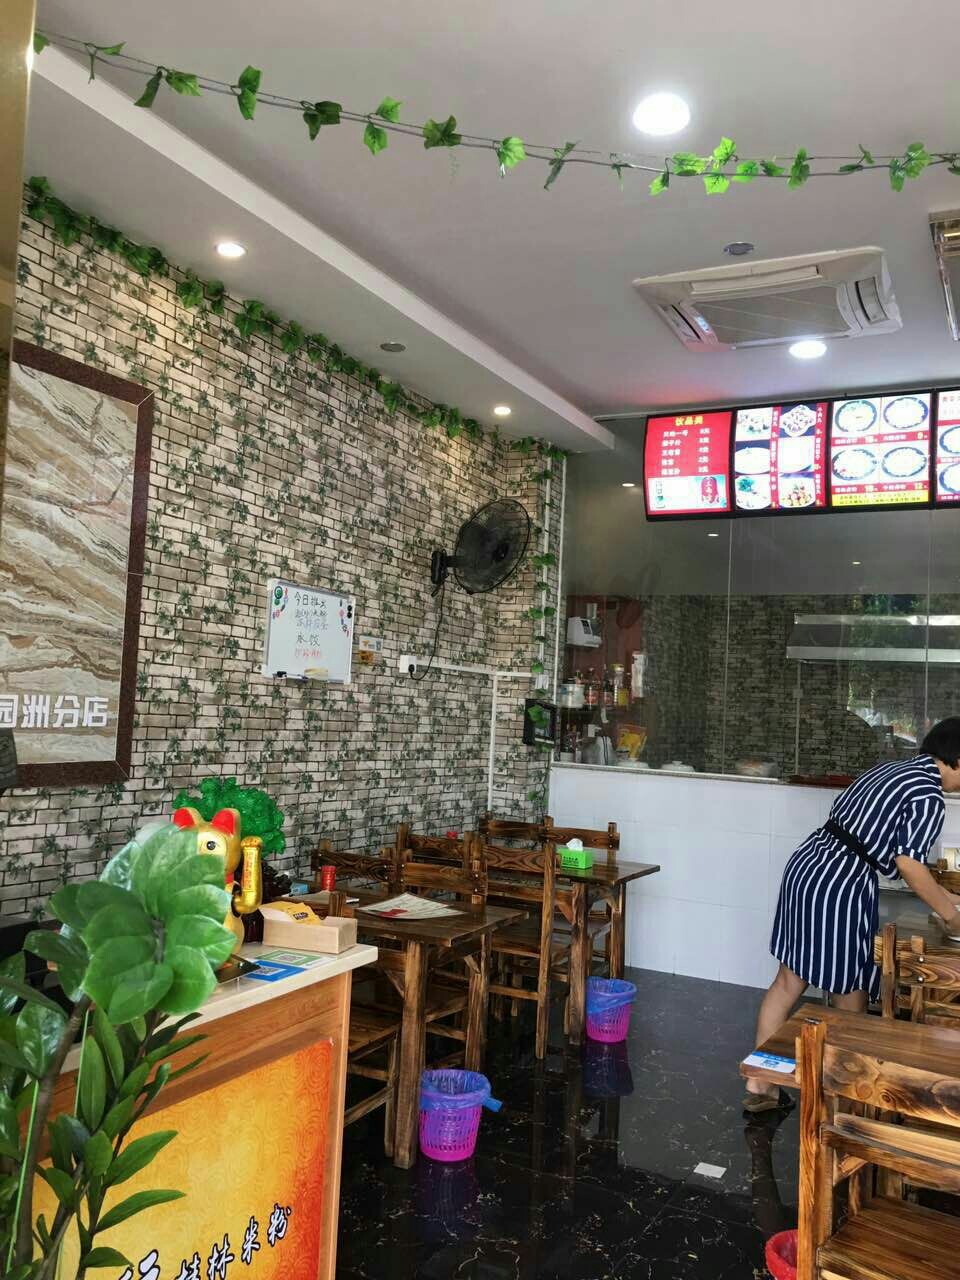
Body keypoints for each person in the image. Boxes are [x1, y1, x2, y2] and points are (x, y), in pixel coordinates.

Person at [744, 716, 960, 1111]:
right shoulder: (928, 794)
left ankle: (761, 1084)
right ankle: (847, 1103)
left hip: (809, 863)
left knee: (788, 981)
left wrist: (945, 896)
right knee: (850, 988)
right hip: (840, 880)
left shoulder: (892, 770)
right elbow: (909, 864)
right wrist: (950, 915)